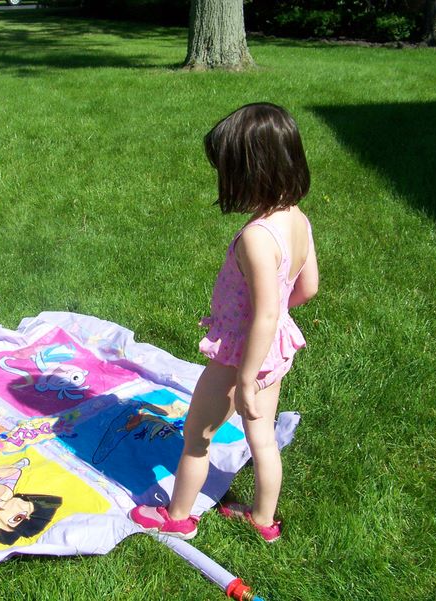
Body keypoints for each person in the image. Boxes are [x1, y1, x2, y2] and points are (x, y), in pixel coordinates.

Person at [130, 103, 318, 543]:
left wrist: (246, 376)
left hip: (240, 359)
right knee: (262, 438)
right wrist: (272, 326)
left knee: (197, 436)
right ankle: (263, 521)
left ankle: (178, 517)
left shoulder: (257, 237)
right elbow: (307, 288)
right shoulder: (297, 218)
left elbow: (265, 313)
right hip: (273, 351)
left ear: (251, 172)